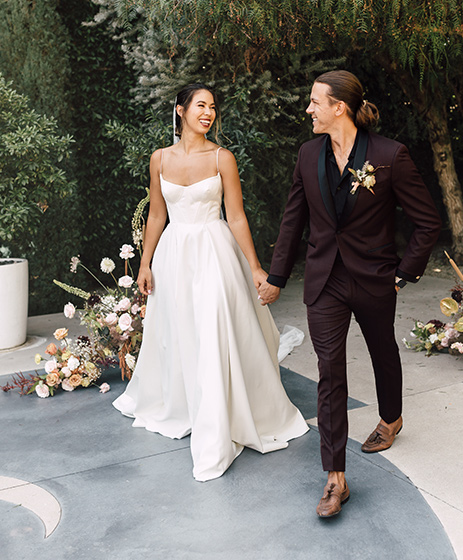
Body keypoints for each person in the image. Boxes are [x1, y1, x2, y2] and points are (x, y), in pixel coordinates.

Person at [258, 71, 441, 517]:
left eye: (315, 102)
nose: (308, 109)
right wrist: (277, 277)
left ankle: (392, 417)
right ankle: (335, 476)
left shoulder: (388, 155)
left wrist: (403, 273)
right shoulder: (307, 155)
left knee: (382, 350)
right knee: (329, 372)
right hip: (325, 281)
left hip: (375, 276)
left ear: (339, 106)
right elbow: (293, 221)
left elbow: (427, 221)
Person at [113, 83, 308, 481]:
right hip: (173, 257)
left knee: (214, 327)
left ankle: (220, 418)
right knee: (182, 329)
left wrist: (255, 267)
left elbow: (235, 216)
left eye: (213, 107)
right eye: (200, 105)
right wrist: (145, 263)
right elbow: (155, 215)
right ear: (181, 110)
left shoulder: (223, 158)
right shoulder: (159, 159)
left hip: (215, 253)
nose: (208, 113)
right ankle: (187, 402)